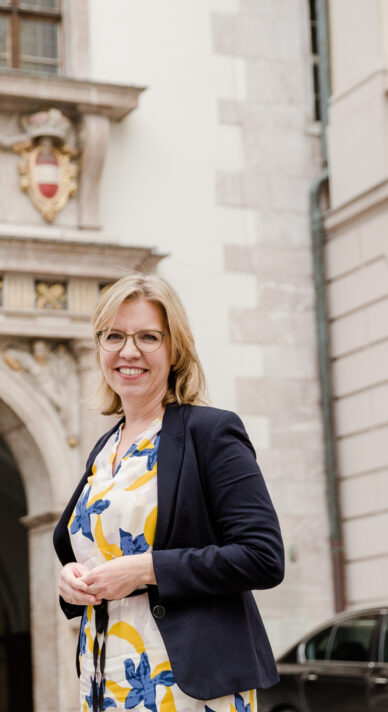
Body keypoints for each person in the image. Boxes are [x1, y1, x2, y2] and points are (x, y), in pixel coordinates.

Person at [53, 273, 283, 711]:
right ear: (99, 347)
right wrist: (71, 583)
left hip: (185, 686)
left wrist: (147, 569)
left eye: (148, 337)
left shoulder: (210, 431)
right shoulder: (105, 449)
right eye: (114, 336)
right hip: (105, 680)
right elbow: (93, 553)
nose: (129, 351)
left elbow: (262, 556)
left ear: (174, 348)